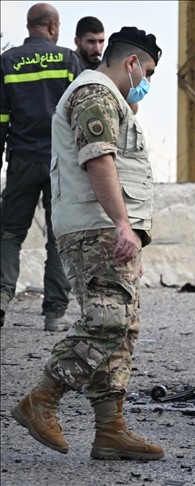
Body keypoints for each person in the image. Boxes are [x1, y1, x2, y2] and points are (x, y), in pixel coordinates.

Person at [11, 26, 163, 461]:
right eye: (148, 72)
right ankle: (43, 398)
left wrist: (133, 233)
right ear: (131, 63)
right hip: (95, 227)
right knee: (107, 320)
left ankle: (110, 429)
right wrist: (121, 225)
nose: (146, 82)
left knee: (123, 328)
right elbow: (99, 159)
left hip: (108, 228)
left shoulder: (114, 99)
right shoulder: (94, 93)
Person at [0, 3, 80, 331]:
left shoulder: (7, 61)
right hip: (59, 163)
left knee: (9, 233)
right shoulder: (68, 60)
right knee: (59, 238)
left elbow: (1, 118)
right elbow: (79, 113)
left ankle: (1, 298)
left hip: (22, 159)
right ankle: (55, 314)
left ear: (28, 25)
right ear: (53, 26)